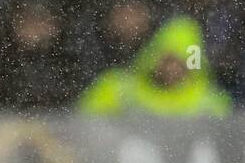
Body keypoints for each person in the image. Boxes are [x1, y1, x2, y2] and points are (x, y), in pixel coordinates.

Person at [79, 16, 231, 117]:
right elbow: (85, 125)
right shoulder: (119, 90)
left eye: (180, 63)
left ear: (192, 66)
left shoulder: (210, 104)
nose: (172, 69)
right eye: (167, 61)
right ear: (153, 59)